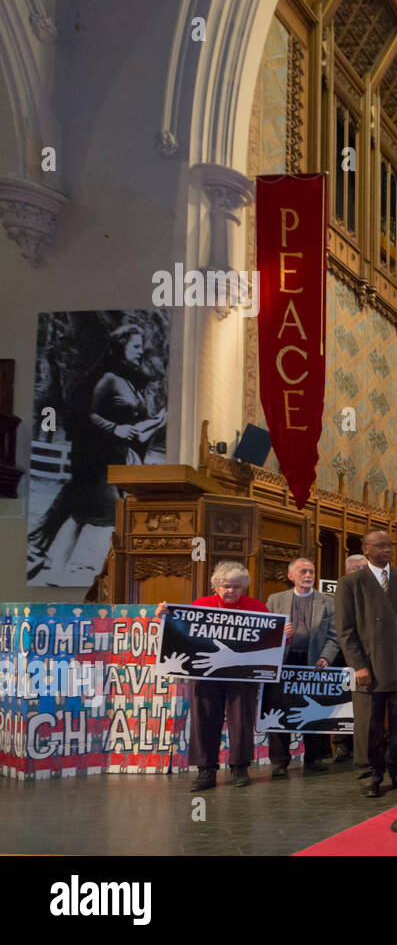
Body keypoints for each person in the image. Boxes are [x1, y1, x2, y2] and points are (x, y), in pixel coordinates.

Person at [28, 322, 166, 585]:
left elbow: (133, 425)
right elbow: (87, 415)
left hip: (116, 459)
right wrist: (115, 428)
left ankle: (56, 568)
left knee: (83, 513)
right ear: (120, 346)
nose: (140, 352)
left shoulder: (128, 381)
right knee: (109, 513)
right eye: (135, 347)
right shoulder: (107, 379)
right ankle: (81, 571)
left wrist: (152, 424)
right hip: (98, 461)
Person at [155, 561, 266, 791]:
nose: (231, 591)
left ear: (243, 587)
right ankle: (206, 771)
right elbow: (181, 634)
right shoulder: (201, 605)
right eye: (226, 586)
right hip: (205, 674)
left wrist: (284, 634)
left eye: (236, 587)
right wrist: (164, 618)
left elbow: (270, 643)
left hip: (242, 676)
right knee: (204, 719)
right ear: (216, 586)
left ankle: (239, 767)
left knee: (242, 721)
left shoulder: (257, 607)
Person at [336, 529, 397, 798]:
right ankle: (369, 775)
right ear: (366, 549)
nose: (386, 550)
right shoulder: (351, 583)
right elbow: (345, 631)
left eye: (389, 546)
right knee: (368, 726)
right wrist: (358, 665)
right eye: (380, 546)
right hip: (369, 668)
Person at [265, 557, 338, 778]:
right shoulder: (275, 600)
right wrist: (279, 634)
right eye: (303, 572)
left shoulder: (327, 602)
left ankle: (314, 758)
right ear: (291, 576)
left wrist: (326, 657)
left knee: (313, 709)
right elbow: (265, 634)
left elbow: (334, 638)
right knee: (279, 710)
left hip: (314, 663)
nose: (308, 576)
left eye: (311, 572)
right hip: (284, 662)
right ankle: (279, 760)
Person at [331, 554, 369, 761]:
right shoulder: (343, 590)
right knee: (344, 701)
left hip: (369, 656)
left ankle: (359, 746)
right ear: (347, 571)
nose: (360, 573)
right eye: (356, 569)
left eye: (364, 568)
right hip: (344, 656)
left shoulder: (375, 593)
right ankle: (341, 744)